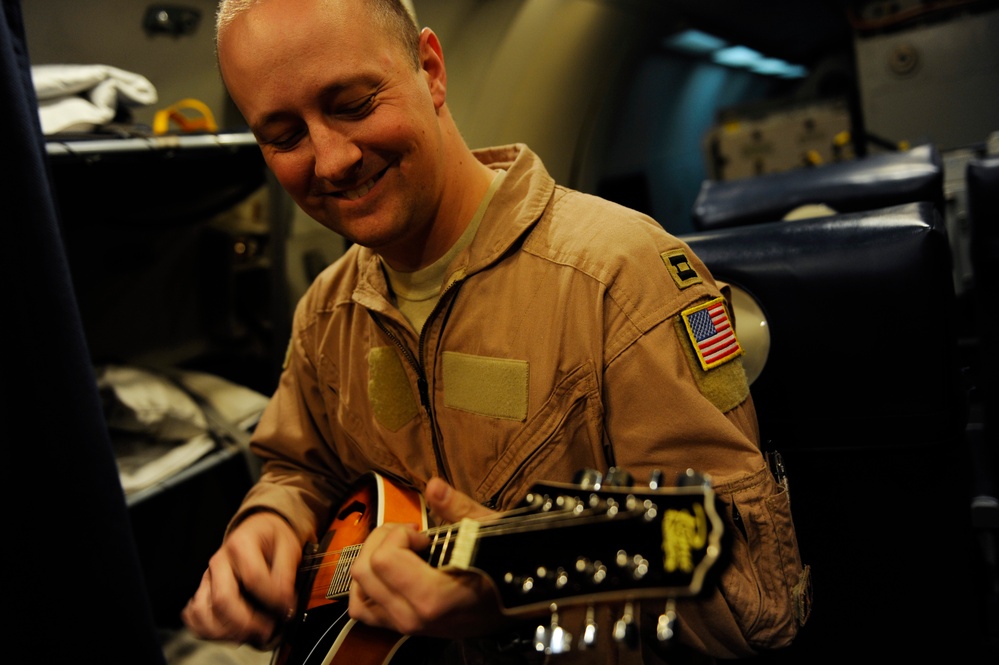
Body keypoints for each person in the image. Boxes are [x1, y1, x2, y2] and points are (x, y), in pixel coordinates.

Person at [182, 0, 811, 662]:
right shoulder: (325, 313)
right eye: (284, 137)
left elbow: (753, 600)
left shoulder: (617, 278)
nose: (331, 160)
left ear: (429, 69)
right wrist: (270, 520)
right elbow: (299, 467)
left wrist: (516, 600)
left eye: (354, 104)